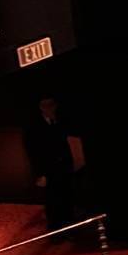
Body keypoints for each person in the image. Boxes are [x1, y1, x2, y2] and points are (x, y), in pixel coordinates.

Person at [24, 93, 85, 229]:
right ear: (40, 107)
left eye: (52, 105)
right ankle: (55, 228)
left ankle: (69, 225)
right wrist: (40, 173)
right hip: (48, 168)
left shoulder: (60, 120)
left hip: (64, 166)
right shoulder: (33, 125)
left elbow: (67, 142)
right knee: (52, 200)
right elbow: (32, 152)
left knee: (67, 196)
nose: (50, 108)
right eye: (46, 105)